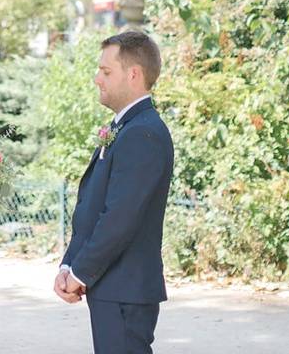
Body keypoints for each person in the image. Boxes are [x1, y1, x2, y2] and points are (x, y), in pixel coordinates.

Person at [54, 31, 174, 354]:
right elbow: (92, 207)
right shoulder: (124, 128)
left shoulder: (143, 133)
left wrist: (81, 271)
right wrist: (68, 265)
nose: (97, 79)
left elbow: (119, 218)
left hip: (126, 289)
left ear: (133, 75)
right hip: (112, 286)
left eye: (106, 72)